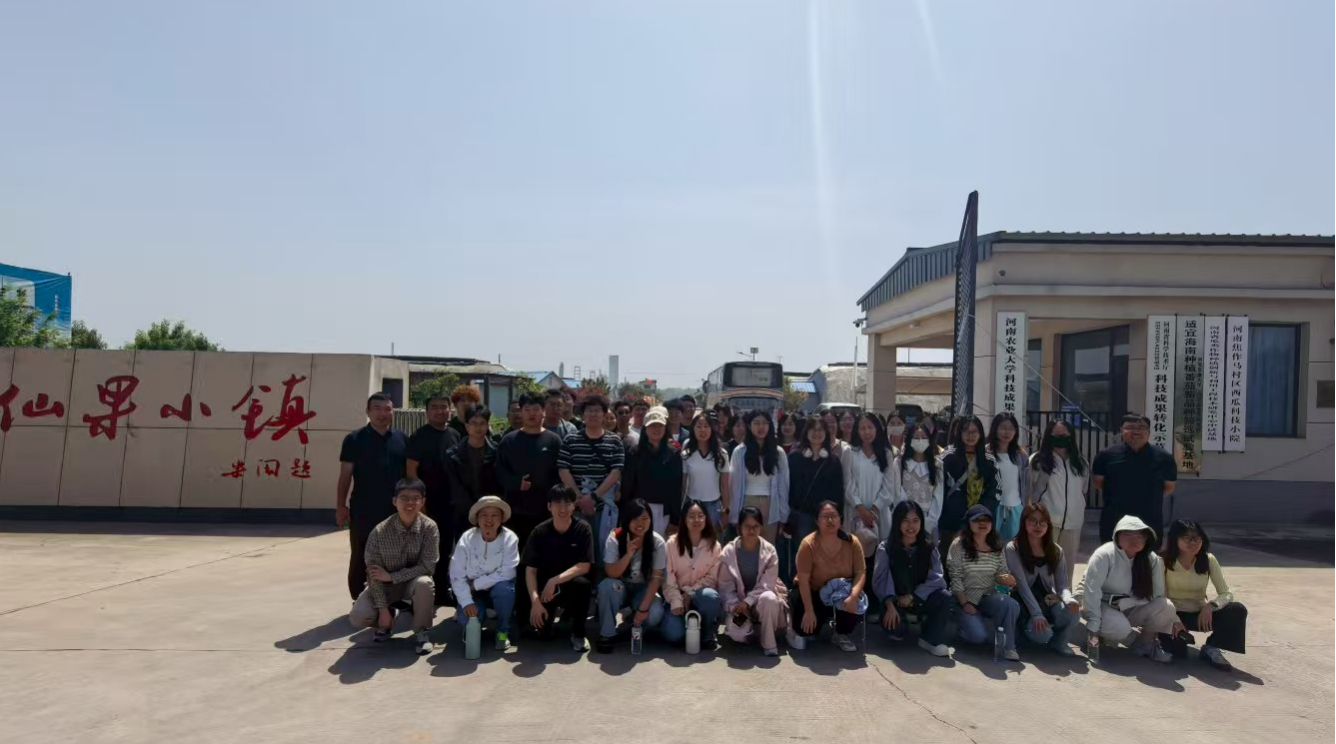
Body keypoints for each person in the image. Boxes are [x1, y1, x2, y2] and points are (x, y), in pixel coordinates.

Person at [348, 478, 440, 656]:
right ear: (394, 501)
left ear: (422, 502)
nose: (410, 503)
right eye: (404, 498)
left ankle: (422, 632)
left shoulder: (429, 528)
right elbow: (373, 574)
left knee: (425, 583)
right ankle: (386, 619)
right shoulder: (380, 531)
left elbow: (428, 566)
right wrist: (382, 610)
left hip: (413, 584)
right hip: (385, 587)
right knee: (358, 616)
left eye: (415, 498)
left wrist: (392, 576)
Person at [1077, 514, 1182, 663]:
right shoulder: (1103, 555)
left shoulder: (1151, 559)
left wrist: (1127, 602)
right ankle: (1125, 641)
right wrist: (1092, 631)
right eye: (1128, 535)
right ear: (1117, 536)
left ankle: (1147, 644)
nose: (1135, 540)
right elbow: (1091, 593)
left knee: (1166, 607)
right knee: (1120, 628)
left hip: (1130, 605)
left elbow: (1156, 594)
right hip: (1099, 605)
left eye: (1140, 536)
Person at [337, 393, 408, 601]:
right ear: (368, 412)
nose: (382, 413)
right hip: (364, 508)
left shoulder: (402, 439)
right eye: (377, 408)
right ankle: (359, 598)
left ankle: (391, 598)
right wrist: (340, 506)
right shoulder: (354, 439)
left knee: (395, 554)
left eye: (387, 409)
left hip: (395, 510)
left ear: (393, 412)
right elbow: (345, 476)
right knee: (361, 554)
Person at [872, 500, 957, 656]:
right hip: (895, 601)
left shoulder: (929, 547)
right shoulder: (886, 548)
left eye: (915, 521)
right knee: (897, 631)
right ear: (897, 522)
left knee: (944, 597)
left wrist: (914, 596)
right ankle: (897, 622)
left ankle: (929, 639)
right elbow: (881, 580)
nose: (911, 526)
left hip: (919, 599)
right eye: (905, 520)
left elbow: (938, 579)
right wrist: (890, 604)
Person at [1160, 519, 1247, 671]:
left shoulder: (1208, 559)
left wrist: (1210, 606)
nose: (1193, 542)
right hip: (1173, 616)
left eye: (1197, 537)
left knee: (1237, 609)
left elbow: (1226, 593)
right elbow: (1160, 598)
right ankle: (1162, 638)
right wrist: (1174, 619)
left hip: (1200, 615)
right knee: (1178, 654)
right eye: (1187, 538)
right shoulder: (1163, 561)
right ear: (1175, 539)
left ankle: (1212, 647)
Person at [788, 501, 867, 652]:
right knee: (806, 631)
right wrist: (809, 611)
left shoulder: (852, 542)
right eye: (825, 517)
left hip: (841, 592)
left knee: (854, 601)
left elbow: (860, 572)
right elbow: (803, 579)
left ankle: (840, 634)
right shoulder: (808, 544)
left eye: (834, 516)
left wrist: (853, 596)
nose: (830, 520)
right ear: (817, 521)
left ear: (840, 519)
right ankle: (796, 619)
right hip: (813, 592)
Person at [523, 486, 595, 652]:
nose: (562, 509)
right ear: (549, 506)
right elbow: (530, 571)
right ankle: (542, 622)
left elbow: (584, 566)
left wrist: (554, 581)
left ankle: (578, 634)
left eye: (567, 503)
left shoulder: (583, 528)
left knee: (583, 584)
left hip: (570, 585)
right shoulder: (539, 531)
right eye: (557, 503)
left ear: (573, 506)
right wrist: (535, 602)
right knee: (543, 634)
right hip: (546, 592)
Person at [948, 504, 1022, 661]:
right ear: (968, 523)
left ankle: (1008, 647)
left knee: (1010, 604)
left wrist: (1007, 579)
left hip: (987, 596)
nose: (982, 523)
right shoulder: (958, 544)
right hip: (963, 599)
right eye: (977, 520)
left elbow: (1001, 572)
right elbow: (955, 577)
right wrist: (964, 603)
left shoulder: (997, 545)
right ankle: (960, 628)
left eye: (986, 520)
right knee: (978, 636)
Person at [1006, 502, 1079, 656]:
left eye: (1042, 522)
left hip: (1047, 599)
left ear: (1048, 525)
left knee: (1073, 612)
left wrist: (1069, 599)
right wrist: (1036, 614)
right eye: (1033, 521)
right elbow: (1022, 585)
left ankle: (1060, 643)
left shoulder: (1056, 550)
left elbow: (1062, 586)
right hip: (1022, 601)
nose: (1038, 526)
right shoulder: (1013, 548)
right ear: (1024, 522)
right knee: (1041, 636)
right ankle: (1022, 634)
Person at [595, 499, 668, 653]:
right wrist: (628, 555)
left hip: (643, 588)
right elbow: (611, 572)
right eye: (635, 519)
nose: (640, 523)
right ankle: (607, 634)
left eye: (645, 518)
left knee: (655, 611)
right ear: (627, 520)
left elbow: (656, 578)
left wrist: (643, 609)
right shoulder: (615, 536)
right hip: (620, 586)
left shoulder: (657, 542)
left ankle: (633, 628)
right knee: (606, 587)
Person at [449, 496, 520, 652]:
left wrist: (477, 584)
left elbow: (508, 571)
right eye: (484, 515)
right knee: (467, 618)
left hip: (493, 588)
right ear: (477, 518)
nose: (489, 519)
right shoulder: (467, 538)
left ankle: (502, 631)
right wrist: (466, 601)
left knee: (505, 590)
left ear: (501, 518)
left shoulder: (510, 538)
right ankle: (474, 627)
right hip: (473, 592)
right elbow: (456, 573)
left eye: (494, 515)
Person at [405, 394, 458, 604]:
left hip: (450, 503)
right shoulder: (419, 436)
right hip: (427, 504)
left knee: (445, 549)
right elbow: (411, 469)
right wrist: (418, 502)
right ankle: (417, 595)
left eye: (443, 407)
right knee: (423, 551)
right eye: (434, 407)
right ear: (427, 412)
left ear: (450, 410)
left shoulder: (455, 435)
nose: (439, 411)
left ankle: (442, 592)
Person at [1093, 413, 1177, 543]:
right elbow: (1098, 483)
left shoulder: (1165, 458)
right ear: (1122, 430)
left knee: (1148, 555)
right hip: (1114, 522)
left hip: (1149, 522)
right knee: (1112, 555)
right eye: (1131, 427)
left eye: (1142, 427)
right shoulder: (1105, 456)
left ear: (1149, 432)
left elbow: (1169, 488)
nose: (1136, 431)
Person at [558, 394, 625, 557]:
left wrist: (594, 497)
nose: (593, 414)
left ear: (604, 414)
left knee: (603, 550)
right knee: (575, 550)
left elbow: (616, 471)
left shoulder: (614, 441)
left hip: (603, 507)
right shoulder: (570, 439)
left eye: (597, 411)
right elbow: (563, 469)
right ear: (582, 414)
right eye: (589, 411)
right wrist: (579, 497)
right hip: (575, 506)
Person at [718, 505, 789, 656]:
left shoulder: (770, 551)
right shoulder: (729, 551)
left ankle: (769, 642)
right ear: (739, 528)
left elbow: (767, 584)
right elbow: (725, 586)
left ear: (761, 528)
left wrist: (748, 602)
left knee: (769, 598)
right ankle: (751, 629)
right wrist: (735, 605)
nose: (751, 530)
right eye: (747, 526)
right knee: (737, 634)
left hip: (760, 600)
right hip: (739, 604)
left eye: (755, 526)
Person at [1027, 419, 1090, 584]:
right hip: (1045, 523)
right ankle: (1043, 596)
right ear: (1049, 436)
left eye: (1065, 435)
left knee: (1066, 568)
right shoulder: (1037, 461)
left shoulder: (1080, 462)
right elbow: (1028, 489)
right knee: (1044, 567)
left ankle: (1065, 597)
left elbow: (1083, 490)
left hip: (1073, 523)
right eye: (1056, 435)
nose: (1061, 438)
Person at [785, 415, 845, 585]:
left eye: (820, 430)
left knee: (824, 557)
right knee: (802, 555)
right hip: (802, 516)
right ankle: (799, 591)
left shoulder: (833, 461)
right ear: (806, 432)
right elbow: (788, 487)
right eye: (813, 429)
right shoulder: (795, 458)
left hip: (825, 518)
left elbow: (838, 491)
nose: (817, 433)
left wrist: (838, 517)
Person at [660, 500, 725, 650]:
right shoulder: (671, 544)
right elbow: (668, 577)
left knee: (710, 597)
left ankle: (708, 631)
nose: (697, 520)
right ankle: (687, 625)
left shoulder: (714, 546)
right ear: (684, 519)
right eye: (692, 516)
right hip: (676, 596)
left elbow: (712, 578)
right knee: (673, 634)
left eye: (700, 516)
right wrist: (677, 600)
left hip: (700, 594)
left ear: (706, 518)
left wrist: (690, 593)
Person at [940, 416, 999, 567]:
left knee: (975, 565)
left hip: (979, 524)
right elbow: (938, 489)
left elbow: (995, 492)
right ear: (959, 433)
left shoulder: (989, 461)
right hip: (951, 523)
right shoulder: (947, 458)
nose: (970, 435)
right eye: (966, 431)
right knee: (949, 564)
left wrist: (980, 515)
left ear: (981, 434)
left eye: (974, 431)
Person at [442, 406, 500, 555]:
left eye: (482, 423)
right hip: (462, 513)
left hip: (490, 511)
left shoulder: (496, 452)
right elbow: (453, 486)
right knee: (464, 554)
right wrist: (471, 510)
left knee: (490, 553)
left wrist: (486, 508)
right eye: (474, 423)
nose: (478, 427)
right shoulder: (453, 454)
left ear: (487, 426)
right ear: (467, 426)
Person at [728, 410, 791, 543]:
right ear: (749, 426)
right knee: (747, 544)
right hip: (747, 502)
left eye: (764, 423)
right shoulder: (740, 452)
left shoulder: (778, 452)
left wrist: (783, 514)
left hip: (771, 504)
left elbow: (783, 485)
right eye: (756, 423)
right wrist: (734, 515)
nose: (761, 427)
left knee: (767, 547)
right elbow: (734, 485)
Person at [622, 406, 684, 537]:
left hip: (664, 511)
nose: (656, 429)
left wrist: (675, 519)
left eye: (660, 425)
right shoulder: (634, 452)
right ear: (645, 429)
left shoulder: (673, 454)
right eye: (652, 426)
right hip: (639, 509)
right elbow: (628, 485)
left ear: (665, 428)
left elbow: (676, 488)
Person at [846, 412, 895, 543]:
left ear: (877, 429)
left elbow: (888, 486)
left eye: (870, 427)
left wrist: (873, 511)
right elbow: (847, 483)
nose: (867, 432)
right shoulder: (850, 451)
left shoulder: (886, 454)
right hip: (855, 512)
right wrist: (861, 509)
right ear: (857, 431)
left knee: (879, 549)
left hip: (879, 514)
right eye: (862, 428)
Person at [892, 422, 945, 538]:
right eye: (916, 437)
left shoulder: (937, 465)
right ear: (909, 440)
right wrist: (906, 519)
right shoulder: (899, 463)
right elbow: (897, 493)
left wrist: (928, 522)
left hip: (928, 522)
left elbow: (938, 496)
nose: (920, 441)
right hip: (904, 521)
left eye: (924, 437)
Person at [681, 411, 731, 531]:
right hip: (692, 506)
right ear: (693, 429)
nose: (702, 430)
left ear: (712, 429)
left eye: (706, 426)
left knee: (712, 541)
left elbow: (725, 486)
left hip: (714, 506)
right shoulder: (687, 453)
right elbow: (683, 484)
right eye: (698, 426)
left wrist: (726, 512)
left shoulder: (721, 454)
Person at [987, 412, 1030, 542]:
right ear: (995, 429)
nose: (1007, 432)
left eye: (1011, 428)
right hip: (993, 507)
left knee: (1013, 547)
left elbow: (1026, 484)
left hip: (1016, 507)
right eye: (1003, 427)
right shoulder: (986, 452)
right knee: (991, 544)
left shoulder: (1021, 455)